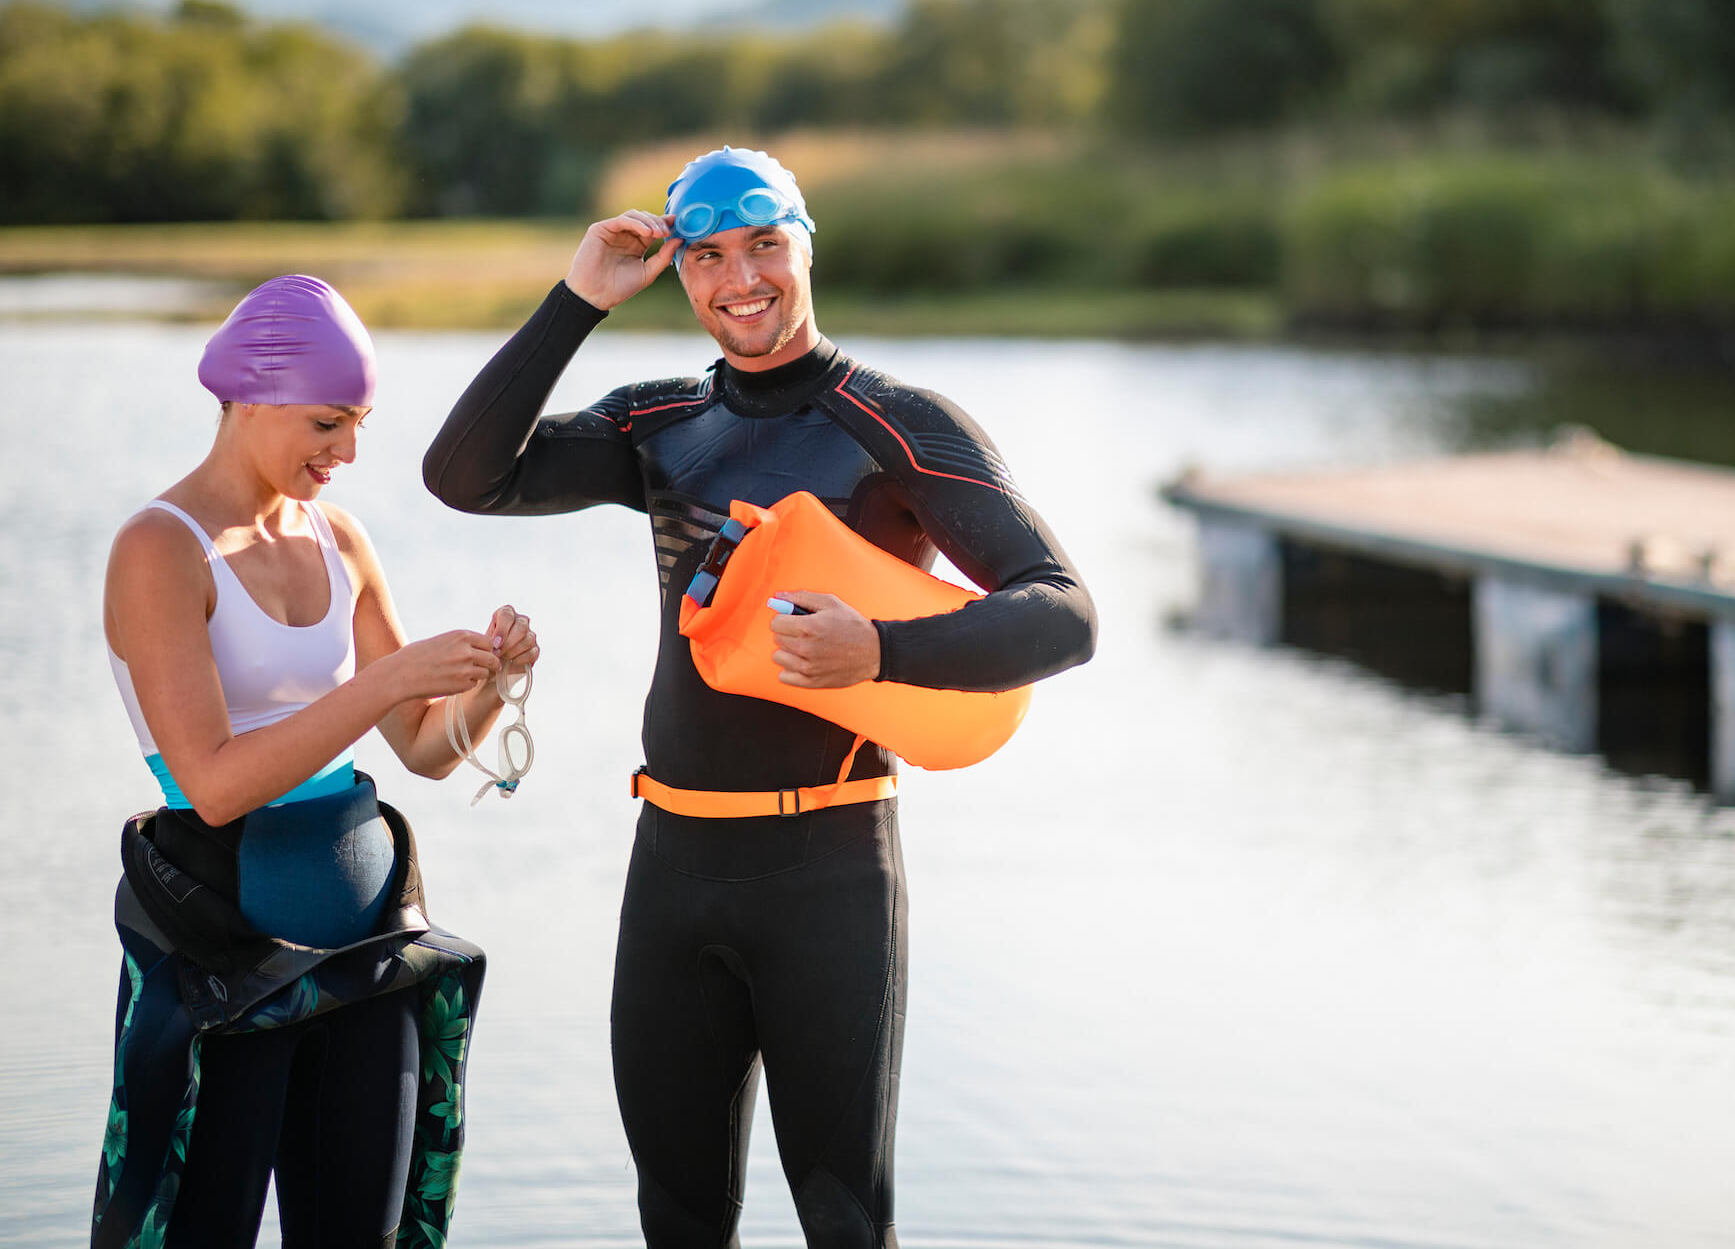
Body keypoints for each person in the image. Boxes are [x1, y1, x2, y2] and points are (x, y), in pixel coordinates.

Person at [422, 146, 1096, 1246]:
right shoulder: (659, 422)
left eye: (765, 246)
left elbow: (1063, 611)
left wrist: (874, 648)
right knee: (677, 1216)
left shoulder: (894, 423)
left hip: (826, 873)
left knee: (841, 1221)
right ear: (679, 273)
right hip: (671, 865)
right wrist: (576, 300)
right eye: (708, 257)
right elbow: (464, 477)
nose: (741, 279)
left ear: (805, 244)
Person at [92, 275, 540, 1249]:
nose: (347, 453)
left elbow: (423, 747)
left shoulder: (339, 538)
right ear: (250, 397)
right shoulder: (160, 549)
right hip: (223, 966)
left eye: (359, 426)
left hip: (367, 961)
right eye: (328, 423)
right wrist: (382, 686)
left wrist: (492, 683)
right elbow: (211, 785)